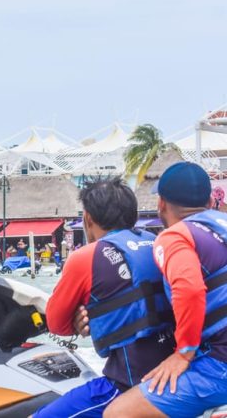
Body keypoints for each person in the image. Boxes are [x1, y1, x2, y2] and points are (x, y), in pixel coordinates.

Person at [34, 177, 175, 417]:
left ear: (88, 218)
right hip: (175, 376)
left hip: (126, 386)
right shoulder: (159, 243)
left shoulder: (85, 257)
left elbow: (56, 324)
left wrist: (81, 320)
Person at [105, 162, 227, 417]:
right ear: (209, 201)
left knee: (119, 413)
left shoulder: (175, 237)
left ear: (161, 203)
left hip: (220, 362)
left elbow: (190, 290)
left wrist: (184, 353)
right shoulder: (222, 225)